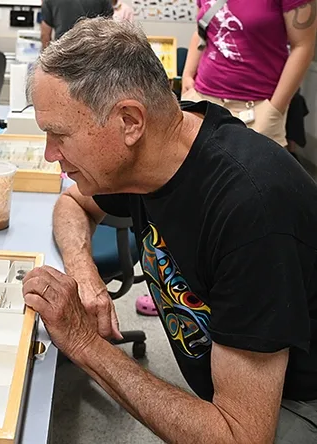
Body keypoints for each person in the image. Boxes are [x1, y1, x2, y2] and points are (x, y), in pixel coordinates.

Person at [25, 17, 317, 443]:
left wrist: (86, 344)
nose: (51, 154)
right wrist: (85, 274)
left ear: (129, 121)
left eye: (59, 135)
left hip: (295, 403)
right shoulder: (157, 151)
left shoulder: (250, 210)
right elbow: (71, 204)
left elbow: (239, 435)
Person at [181, 0, 316, 148]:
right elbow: (202, 30)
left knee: (258, 169)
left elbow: (303, 46)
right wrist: (187, 75)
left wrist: (274, 110)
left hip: (256, 108)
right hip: (202, 100)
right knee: (200, 169)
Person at [41, 0, 114, 49]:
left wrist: (47, 62)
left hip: (63, 52)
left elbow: (45, 34)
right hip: (91, 53)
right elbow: (109, 30)